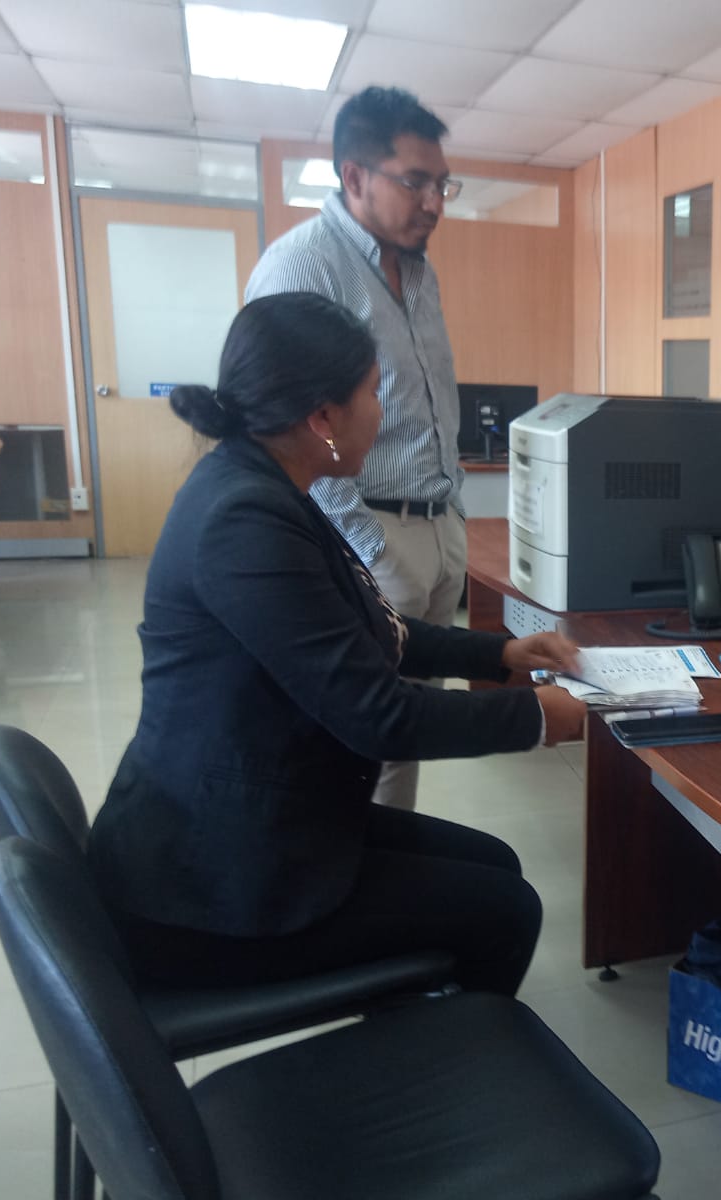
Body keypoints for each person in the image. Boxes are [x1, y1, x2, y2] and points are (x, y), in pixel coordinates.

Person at [86, 293, 588, 998]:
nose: (382, 414)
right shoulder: (244, 521)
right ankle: (430, 1054)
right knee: (506, 909)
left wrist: (498, 655)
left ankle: (417, 1020)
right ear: (322, 417)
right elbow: (380, 716)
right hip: (212, 879)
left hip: (263, 818)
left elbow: (369, 631)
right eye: (374, 393)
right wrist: (540, 718)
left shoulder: (267, 485)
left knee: (495, 864)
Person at [245, 86, 467, 811]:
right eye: (416, 182)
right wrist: (368, 550)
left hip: (436, 527)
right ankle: (351, 865)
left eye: (442, 184)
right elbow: (290, 431)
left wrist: (452, 520)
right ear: (354, 176)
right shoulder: (302, 267)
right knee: (358, 736)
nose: (434, 202)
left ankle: (388, 856)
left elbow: (429, 400)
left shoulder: (421, 271)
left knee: (406, 736)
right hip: (367, 533)